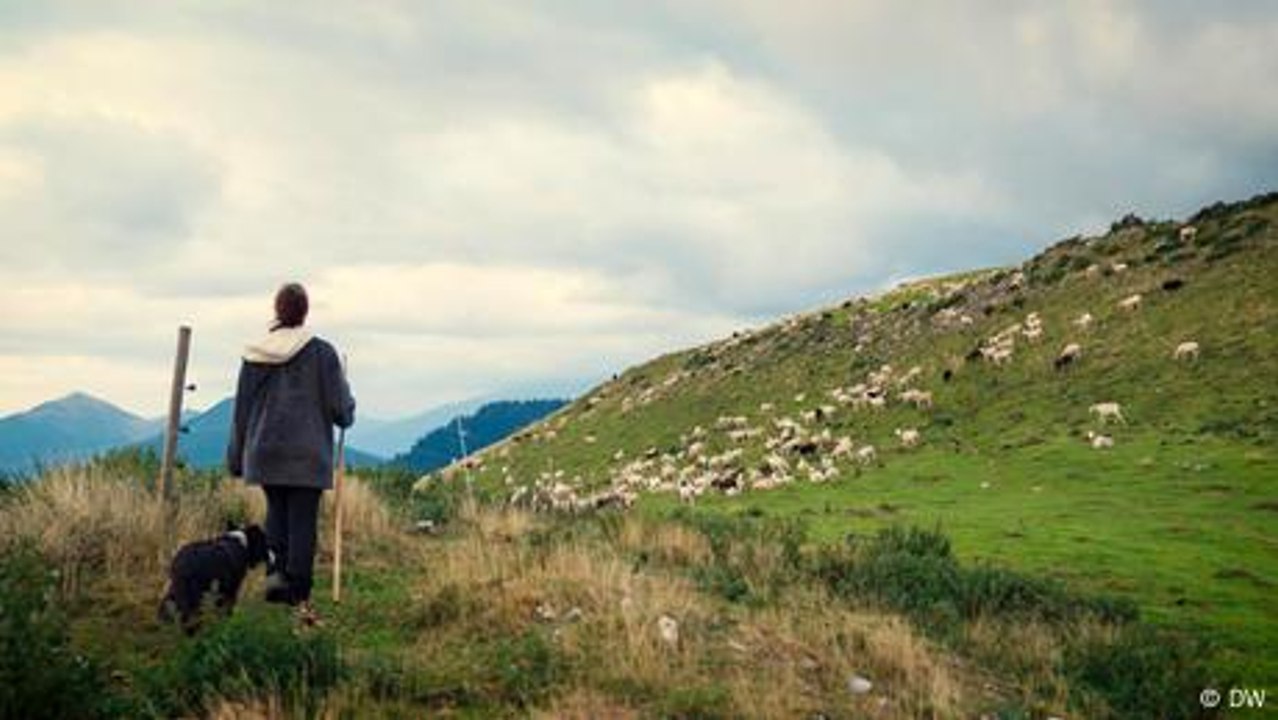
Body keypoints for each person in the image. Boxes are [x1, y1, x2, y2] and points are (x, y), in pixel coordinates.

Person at [227, 282, 355, 626]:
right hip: (307, 454)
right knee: (301, 522)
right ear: (305, 311)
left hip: (265, 451)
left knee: (277, 515)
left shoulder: (255, 353)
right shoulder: (322, 353)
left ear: (276, 310)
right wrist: (348, 410)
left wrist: (236, 458)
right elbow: (340, 409)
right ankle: (298, 593)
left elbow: (241, 410)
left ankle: (275, 582)